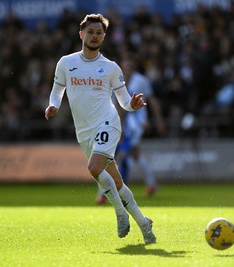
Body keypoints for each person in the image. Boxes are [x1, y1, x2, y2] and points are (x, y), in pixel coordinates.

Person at [44, 13, 156, 244]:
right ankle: (144, 224)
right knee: (116, 182)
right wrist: (53, 105)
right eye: (90, 32)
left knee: (94, 167)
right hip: (83, 131)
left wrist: (132, 106)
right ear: (81, 34)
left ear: (104, 37)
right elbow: (57, 90)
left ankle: (120, 213)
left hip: (108, 122)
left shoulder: (111, 68)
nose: (94, 36)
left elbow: (123, 100)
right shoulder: (66, 63)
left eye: (99, 33)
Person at [95, 57, 164, 203]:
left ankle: (106, 193)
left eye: (129, 68)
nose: (126, 71)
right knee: (120, 155)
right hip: (118, 123)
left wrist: (158, 120)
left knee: (121, 154)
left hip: (136, 124)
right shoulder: (115, 81)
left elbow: (152, 100)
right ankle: (149, 184)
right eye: (124, 68)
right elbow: (115, 106)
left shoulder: (141, 81)